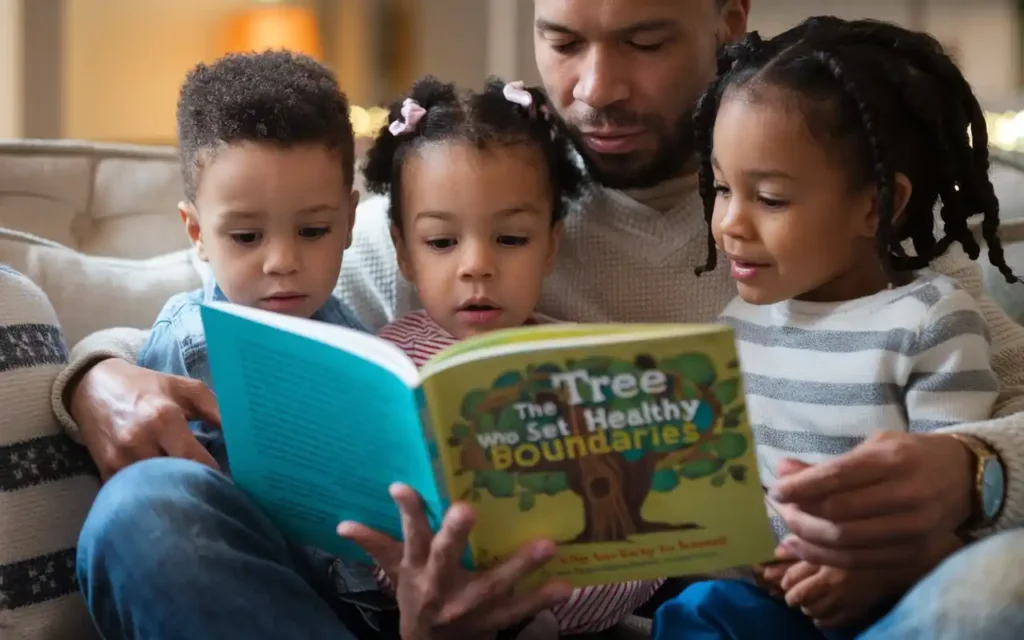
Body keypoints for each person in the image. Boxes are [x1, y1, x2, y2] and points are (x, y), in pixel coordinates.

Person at [49, 1, 1024, 638]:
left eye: (643, 41)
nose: (595, 90)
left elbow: (1004, 403)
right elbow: (199, 281)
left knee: (993, 590)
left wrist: (973, 471)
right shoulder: (455, 193)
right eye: (562, 42)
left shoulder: (836, 214)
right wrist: (97, 375)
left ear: (725, 18)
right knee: (148, 511)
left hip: (723, 605)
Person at [652, 17, 1014, 639]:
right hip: (765, 599)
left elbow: (953, 521)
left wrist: (877, 573)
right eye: (720, 188)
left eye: (769, 198)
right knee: (697, 609)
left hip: (895, 597)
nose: (730, 224)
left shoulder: (930, 321)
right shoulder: (733, 330)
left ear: (875, 205)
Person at [352, 74, 659, 634]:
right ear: (402, 251)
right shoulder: (383, 364)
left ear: (549, 246)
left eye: (511, 239)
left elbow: (641, 549)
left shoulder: (588, 372)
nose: (477, 266)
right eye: (442, 242)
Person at [135, 50, 366, 473]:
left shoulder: (355, 339)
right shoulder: (189, 344)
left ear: (349, 221)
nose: (282, 262)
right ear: (197, 233)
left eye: (313, 231)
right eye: (246, 237)